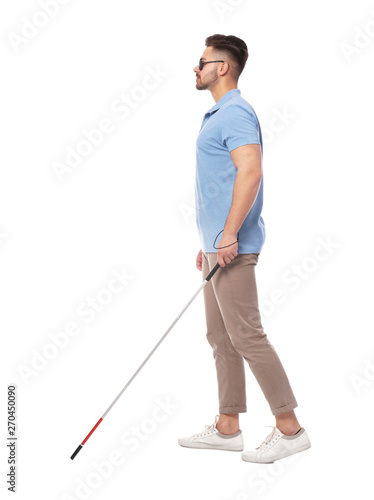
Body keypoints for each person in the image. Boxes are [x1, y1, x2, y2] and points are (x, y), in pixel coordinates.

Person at [178, 34, 311, 463]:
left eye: (202, 61)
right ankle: (228, 426)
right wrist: (209, 241)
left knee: (247, 336)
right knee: (220, 336)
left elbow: (250, 171)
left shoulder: (235, 111)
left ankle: (290, 430)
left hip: (232, 246)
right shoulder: (216, 114)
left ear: (224, 67)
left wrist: (231, 233)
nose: (195, 68)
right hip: (217, 246)